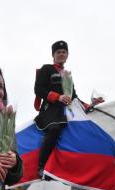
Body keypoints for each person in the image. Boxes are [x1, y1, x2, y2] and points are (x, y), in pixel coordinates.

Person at [34, 40, 78, 177]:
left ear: (67, 55)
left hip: (65, 112)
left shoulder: (68, 75)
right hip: (49, 110)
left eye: (63, 52)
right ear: (53, 55)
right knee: (54, 128)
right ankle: (42, 167)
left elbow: (74, 96)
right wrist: (57, 97)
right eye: (58, 52)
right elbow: (38, 89)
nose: (61, 54)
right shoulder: (46, 68)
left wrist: (92, 104)